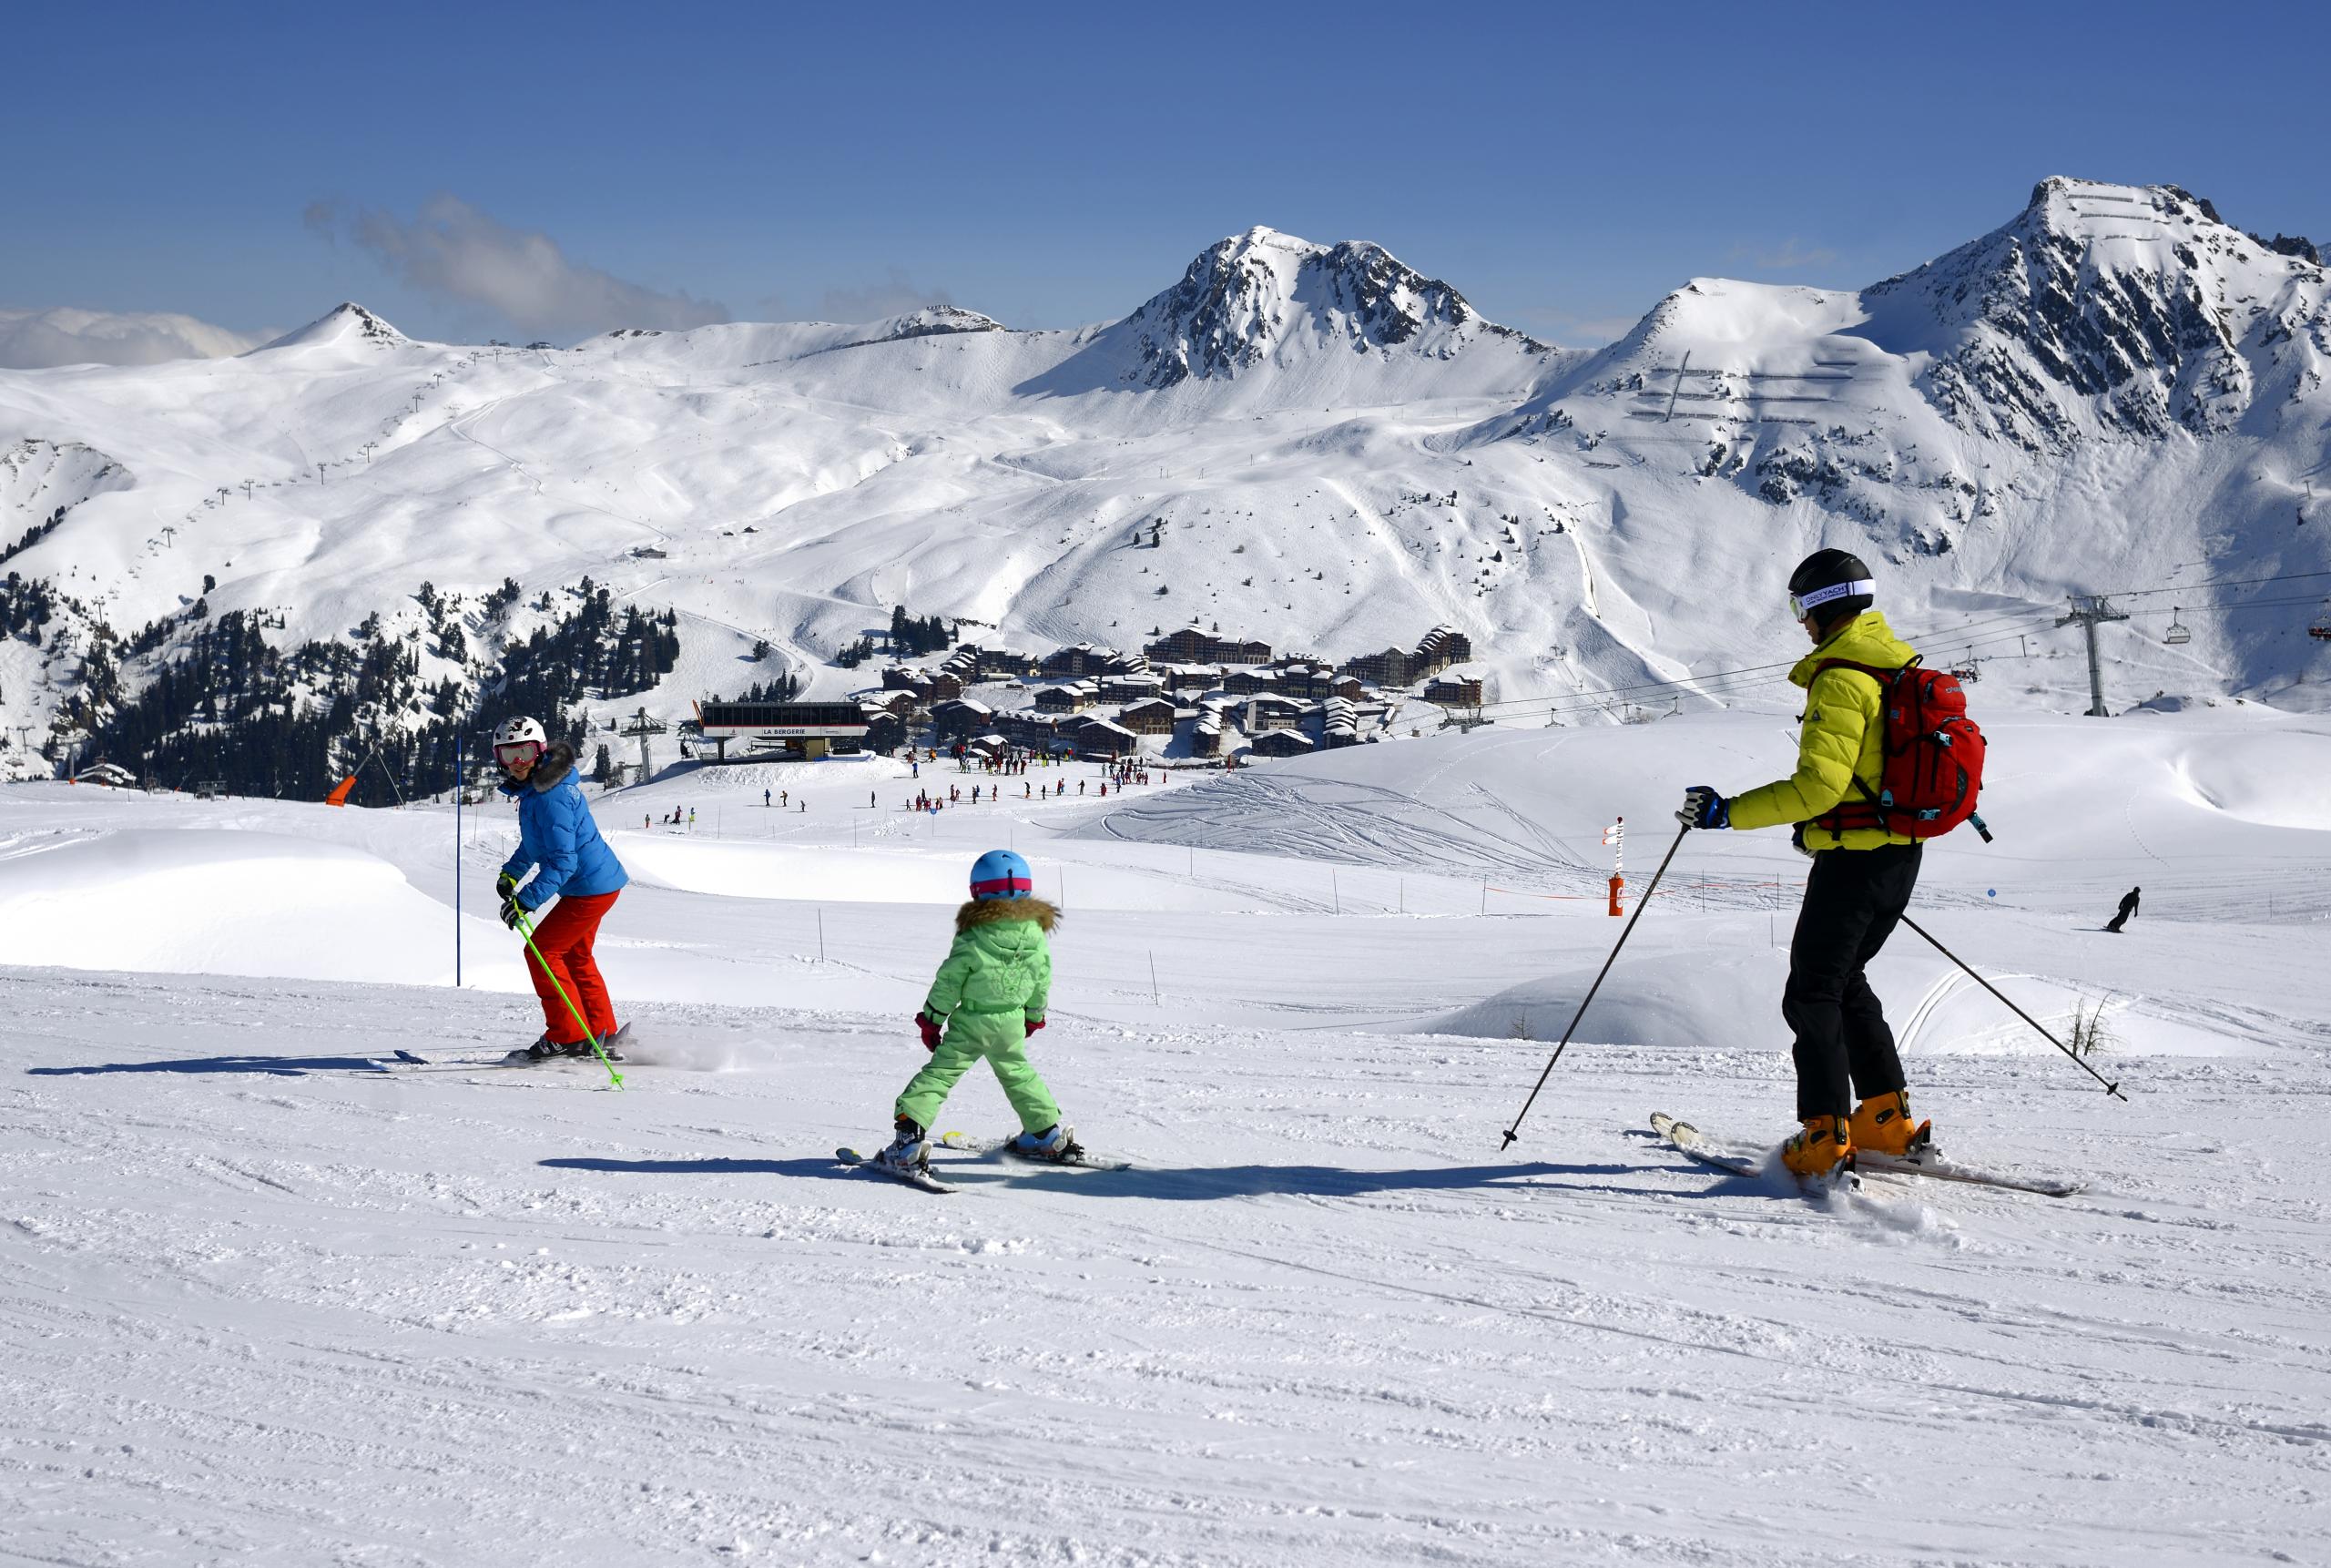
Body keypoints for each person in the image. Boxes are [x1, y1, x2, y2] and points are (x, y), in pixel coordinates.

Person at [1675, 550, 1931, 1176]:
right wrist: (1825, 826)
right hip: (1900, 852)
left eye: (1800, 609)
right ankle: (1885, 1122)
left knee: (1812, 989)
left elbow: (1819, 785)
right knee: (1846, 981)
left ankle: (1824, 1137)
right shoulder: (1890, 660)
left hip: (1856, 864)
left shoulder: (1842, 677)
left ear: (1821, 605)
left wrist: (1725, 812)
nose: (1800, 624)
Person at [876, 850, 1076, 1175]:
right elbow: (1042, 977)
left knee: (941, 1074)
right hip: (1011, 1020)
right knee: (1018, 1074)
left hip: (973, 1021)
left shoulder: (974, 932)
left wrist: (932, 1018)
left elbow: (951, 979)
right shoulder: (1035, 934)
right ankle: (1045, 1134)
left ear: (976, 890)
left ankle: (908, 1141)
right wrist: (1033, 1015)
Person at [491, 717, 630, 1064]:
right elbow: (536, 843)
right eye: (510, 755)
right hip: (594, 884)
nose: (518, 762)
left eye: (524, 752)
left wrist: (526, 900)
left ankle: (567, 1035)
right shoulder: (537, 792)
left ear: (539, 752)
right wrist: (512, 873)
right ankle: (601, 1031)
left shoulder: (550, 797)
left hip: (588, 888)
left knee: (541, 951)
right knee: (574, 955)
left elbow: (562, 862)